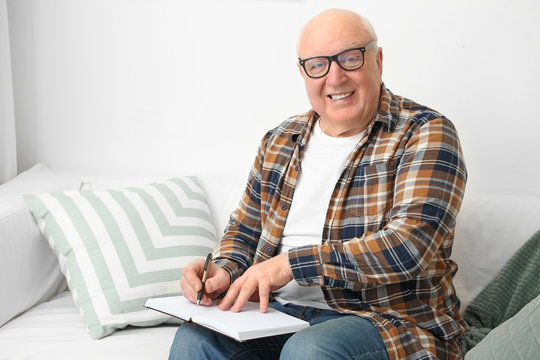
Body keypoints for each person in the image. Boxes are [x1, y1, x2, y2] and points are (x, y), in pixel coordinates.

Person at [169, 8, 467, 360]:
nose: (335, 77)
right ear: (303, 72)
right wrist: (222, 270)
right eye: (318, 65)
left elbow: (408, 248)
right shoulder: (280, 140)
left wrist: (290, 265)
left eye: (350, 58)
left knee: (310, 350)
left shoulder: (425, 132)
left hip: (387, 322)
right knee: (194, 339)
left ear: (378, 60)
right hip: (280, 316)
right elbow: (245, 231)